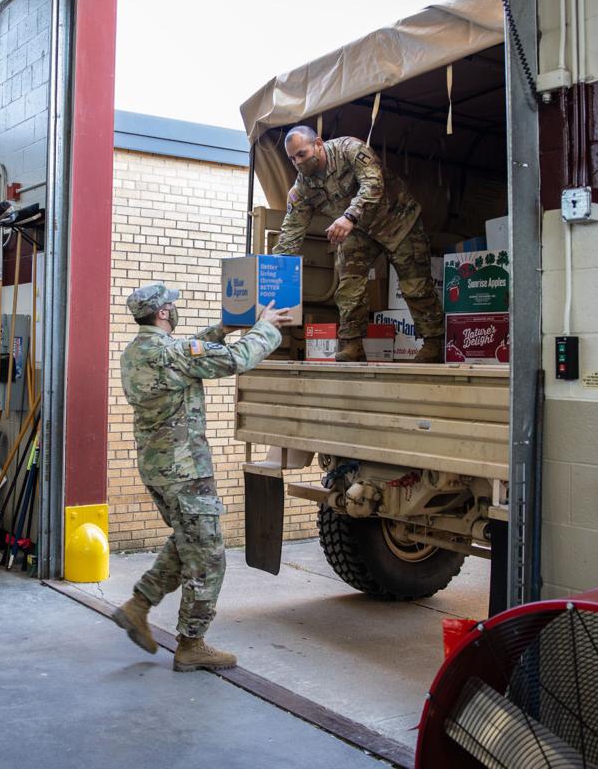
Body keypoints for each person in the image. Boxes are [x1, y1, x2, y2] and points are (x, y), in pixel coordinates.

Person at [112, 283, 291, 671]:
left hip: (158, 468)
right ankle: (192, 644)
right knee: (209, 557)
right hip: (185, 471)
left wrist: (223, 326)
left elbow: (190, 351)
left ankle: (138, 605)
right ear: (162, 313)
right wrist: (266, 327)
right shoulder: (172, 352)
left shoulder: (136, 352)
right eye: (172, 305)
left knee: (187, 540)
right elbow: (234, 360)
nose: (176, 309)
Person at [274, 126, 444, 362]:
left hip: (397, 220)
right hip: (359, 231)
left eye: (301, 154)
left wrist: (349, 216)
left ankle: (433, 342)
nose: (297, 162)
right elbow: (292, 229)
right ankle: (352, 344)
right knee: (349, 286)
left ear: (319, 144)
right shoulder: (302, 187)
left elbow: (373, 184)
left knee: (415, 284)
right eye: (292, 158)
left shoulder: (350, 149)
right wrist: (273, 269)